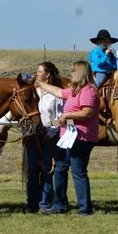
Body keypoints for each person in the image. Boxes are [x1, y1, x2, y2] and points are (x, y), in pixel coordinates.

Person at [37, 60, 99, 216]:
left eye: (73, 71)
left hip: (81, 138)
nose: (70, 73)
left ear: (79, 72)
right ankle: (59, 205)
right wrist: (40, 83)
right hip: (68, 137)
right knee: (59, 169)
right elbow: (58, 92)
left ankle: (85, 208)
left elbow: (87, 113)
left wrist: (67, 115)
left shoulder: (88, 91)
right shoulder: (73, 90)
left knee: (78, 172)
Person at [20, 62, 64, 214]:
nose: (37, 74)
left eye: (40, 71)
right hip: (32, 136)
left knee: (47, 170)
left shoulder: (56, 95)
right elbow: (26, 114)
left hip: (49, 137)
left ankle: (44, 204)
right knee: (32, 170)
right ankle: (32, 202)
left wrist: (50, 133)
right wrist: (25, 132)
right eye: (37, 71)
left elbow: (60, 118)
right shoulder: (34, 93)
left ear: (48, 75)